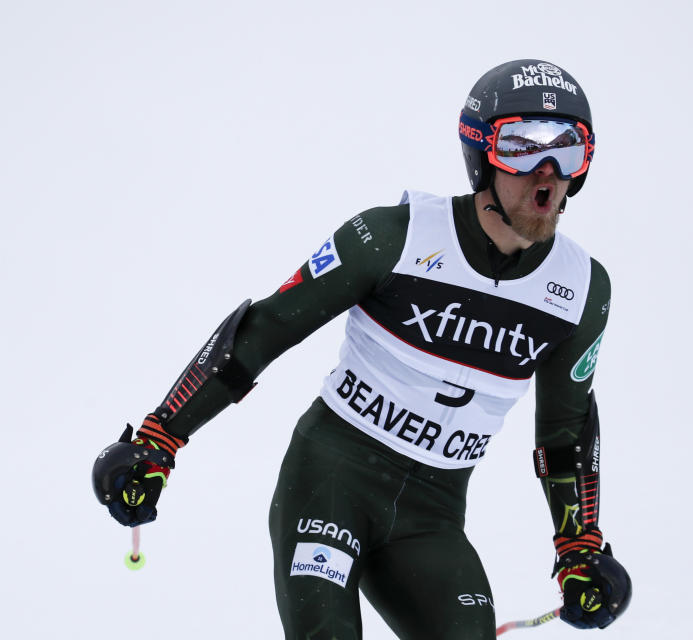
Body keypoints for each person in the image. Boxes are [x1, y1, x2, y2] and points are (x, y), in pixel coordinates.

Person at [92, 59, 632, 639]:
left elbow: (566, 432)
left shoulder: (581, 288)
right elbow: (266, 330)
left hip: (432, 513)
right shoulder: (393, 236)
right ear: (482, 154)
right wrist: (157, 440)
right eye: (522, 146)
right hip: (331, 481)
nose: (546, 172)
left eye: (570, 150)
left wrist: (580, 549)